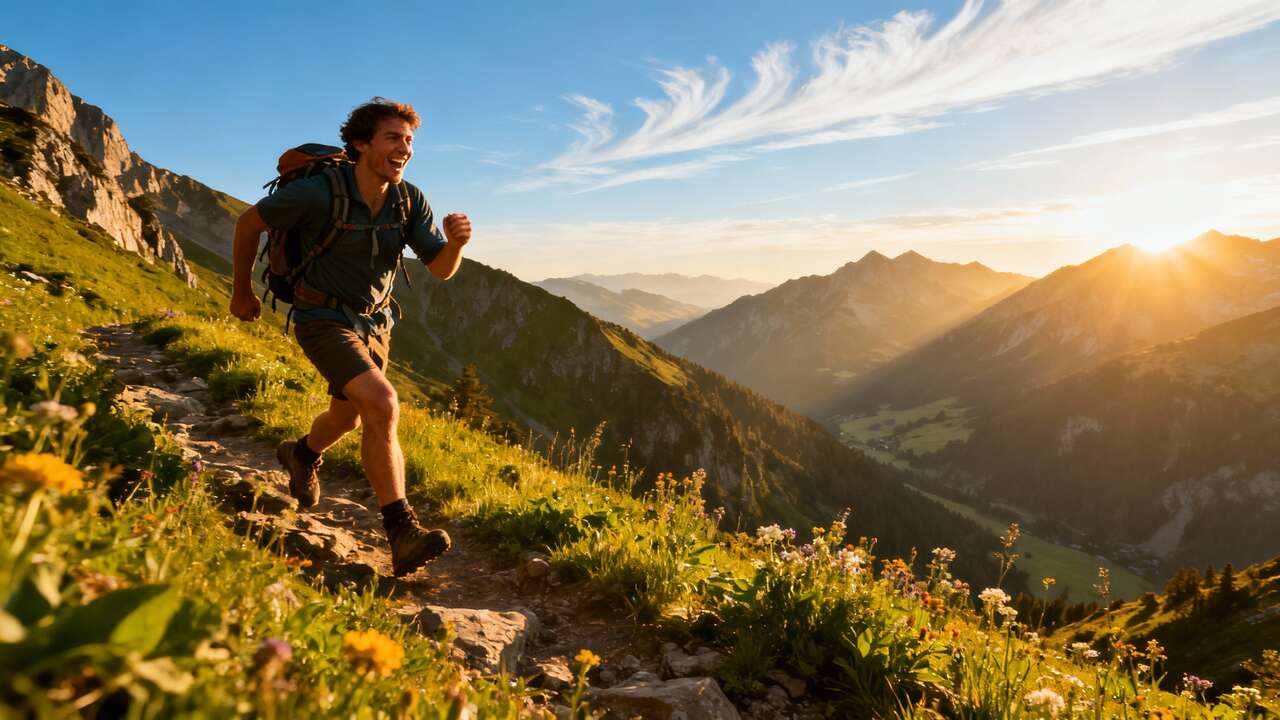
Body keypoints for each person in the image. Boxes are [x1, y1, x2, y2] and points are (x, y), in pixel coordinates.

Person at [229, 98, 470, 577]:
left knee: (349, 417)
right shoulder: (318, 192)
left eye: (409, 141)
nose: (404, 149)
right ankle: (402, 531)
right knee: (381, 403)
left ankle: (301, 453)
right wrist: (241, 291)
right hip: (321, 317)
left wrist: (457, 245)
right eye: (393, 138)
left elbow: (440, 270)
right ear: (361, 143)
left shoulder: (408, 199)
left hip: (376, 323)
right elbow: (249, 223)